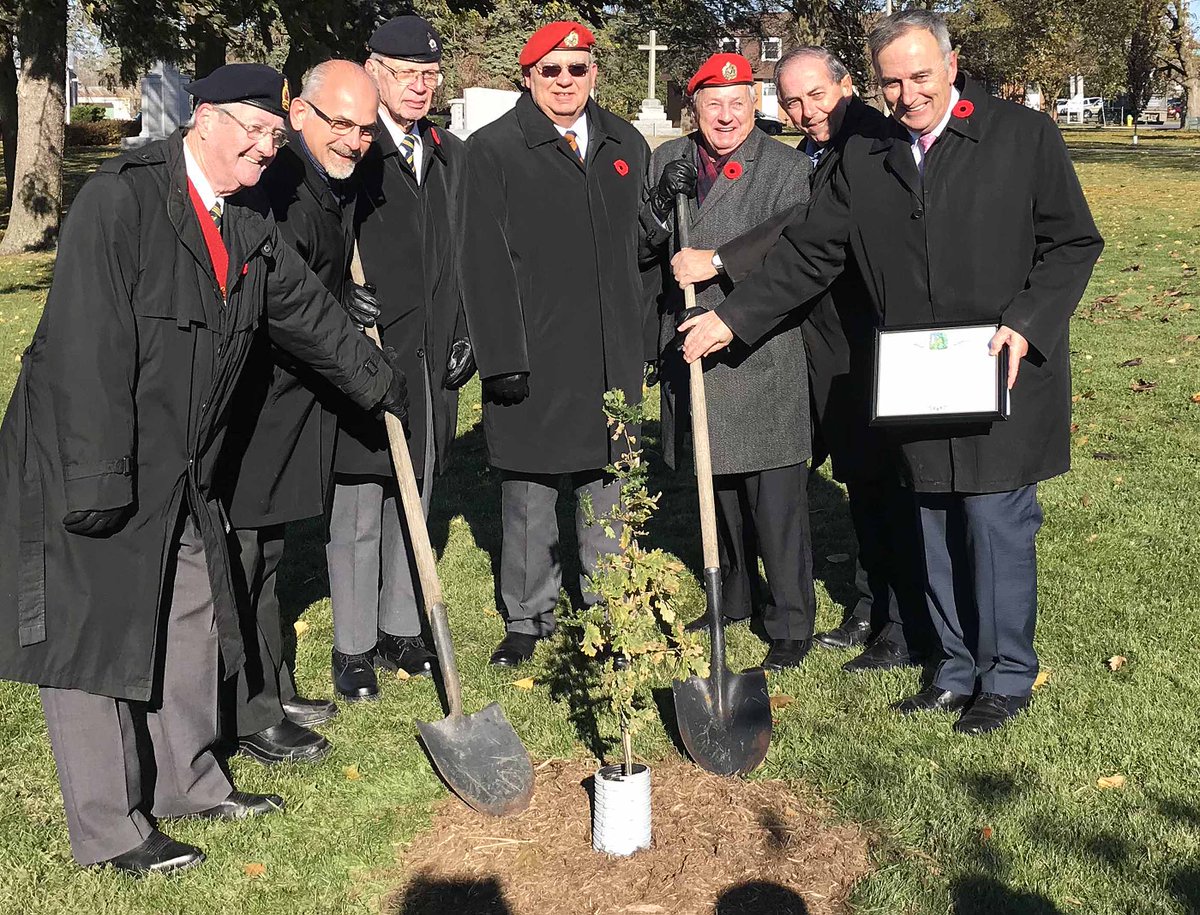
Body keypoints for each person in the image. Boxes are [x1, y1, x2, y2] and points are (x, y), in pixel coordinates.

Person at [0, 63, 407, 876]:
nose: (264, 148)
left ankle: (187, 781)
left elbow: (307, 317)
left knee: (190, 618)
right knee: (91, 644)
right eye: (250, 131)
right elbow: (85, 347)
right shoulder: (124, 200)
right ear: (203, 122)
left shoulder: (248, 220)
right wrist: (98, 481)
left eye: (273, 136)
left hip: (181, 465)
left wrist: (383, 385)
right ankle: (111, 829)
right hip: (91, 458)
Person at [680, 10, 1102, 734]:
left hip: (1000, 368)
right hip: (916, 372)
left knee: (993, 520)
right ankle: (954, 665)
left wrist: (1026, 325)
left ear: (952, 63)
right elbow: (813, 251)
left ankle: (1005, 677)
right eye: (892, 83)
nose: (908, 94)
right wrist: (733, 316)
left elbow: (1072, 243)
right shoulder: (870, 158)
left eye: (921, 76)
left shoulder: (1021, 137)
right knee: (933, 517)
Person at [672, 46, 929, 674]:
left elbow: (810, 228)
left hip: (872, 336)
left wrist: (724, 263)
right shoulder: (820, 146)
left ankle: (902, 622)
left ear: (845, 85)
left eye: (817, 94)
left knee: (888, 482)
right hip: (824, 340)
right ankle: (871, 605)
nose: (806, 110)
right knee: (863, 483)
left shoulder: (871, 138)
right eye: (792, 100)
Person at [461, 21, 655, 667]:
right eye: (552, 71)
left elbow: (644, 253)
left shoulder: (626, 142)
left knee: (608, 487)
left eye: (577, 68)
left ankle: (609, 609)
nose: (566, 81)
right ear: (528, 77)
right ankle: (528, 616)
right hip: (535, 354)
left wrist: (645, 336)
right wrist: (502, 357)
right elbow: (480, 261)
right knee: (529, 494)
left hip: (610, 353)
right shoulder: (492, 150)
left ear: (594, 72)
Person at [221, 60, 381, 764]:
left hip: (290, 404)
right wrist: (346, 325)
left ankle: (274, 681)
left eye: (365, 129)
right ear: (301, 113)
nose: (352, 139)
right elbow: (278, 302)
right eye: (340, 123)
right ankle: (247, 709)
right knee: (242, 556)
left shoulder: (326, 183)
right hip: (254, 402)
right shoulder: (279, 188)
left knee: (271, 552)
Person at [640, 53, 815, 671]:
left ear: (755, 106)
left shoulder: (788, 168)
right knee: (718, 487)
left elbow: (794, 245)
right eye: (712, 103)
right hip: (691, 341)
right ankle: (733, 595)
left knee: (775, 496)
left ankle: (791, 621)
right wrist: (660, 214)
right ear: (694, 108)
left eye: (738, 103)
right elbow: (644, 238)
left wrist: (715, 259)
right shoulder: (668, 160)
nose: (725, 114)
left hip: (760, 348)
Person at [322, 15, 476, 702]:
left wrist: (467, 329)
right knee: (361, 501)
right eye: (406, 74)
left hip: (429, 350)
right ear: (374, 71)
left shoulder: (443, 153)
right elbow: (313, 243)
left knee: (418, 490)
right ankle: (353, 645)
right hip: (367, 350)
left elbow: (464, 253)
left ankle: (401, 628)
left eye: (429, 75)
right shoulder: (354, 148)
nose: (419, 86)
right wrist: (337, 296)